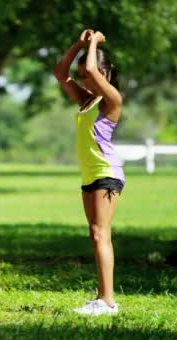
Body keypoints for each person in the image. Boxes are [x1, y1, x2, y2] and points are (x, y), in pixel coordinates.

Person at [54, 29, 124, 316]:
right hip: (90, 175)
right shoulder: (87, 100)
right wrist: (78, 44)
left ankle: (107, 301)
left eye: (91, 74)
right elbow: (60, 73)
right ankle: (102, 298)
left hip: (106, 172)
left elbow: (93, 68)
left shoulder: (112, 101)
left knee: (100, 234)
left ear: (107, 73)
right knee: (96, 234)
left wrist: (95, 42)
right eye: (82, 76)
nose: (87, 78)